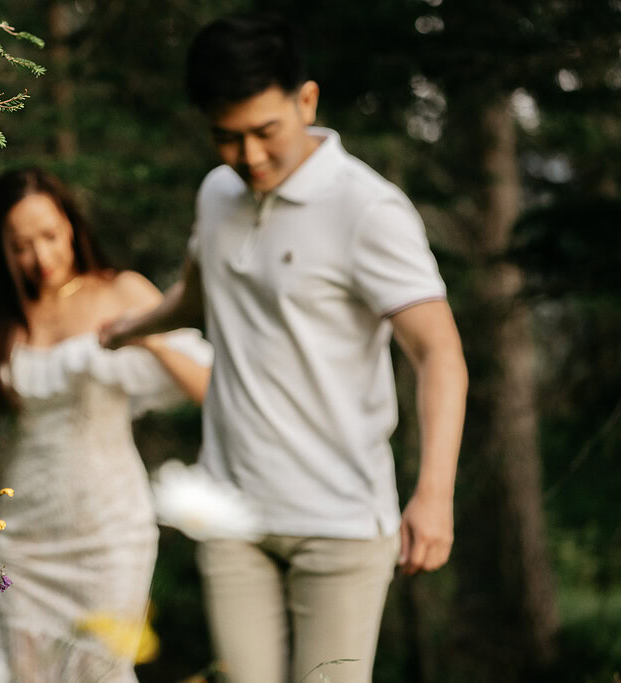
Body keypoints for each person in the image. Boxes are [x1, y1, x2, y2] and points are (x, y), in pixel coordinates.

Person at [101, 13, 468, 683]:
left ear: (306, 100)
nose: (249, 158)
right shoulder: (216, 193)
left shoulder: (366, 208)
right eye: (226, 138)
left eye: (264, 132)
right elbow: (198, 294)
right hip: (231, 513)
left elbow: (438, 351)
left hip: (341, 521)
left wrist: (434, 494)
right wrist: (125, 329)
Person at [0, 168, 212, 682]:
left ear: (71, 224)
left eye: (49, 236)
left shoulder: (121, 291)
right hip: (22, 541)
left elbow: (207, 385)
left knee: (101, 671)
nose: (41, 258)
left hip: (110, 535)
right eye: (21, 246)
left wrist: (147, 335)